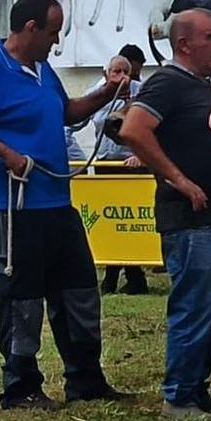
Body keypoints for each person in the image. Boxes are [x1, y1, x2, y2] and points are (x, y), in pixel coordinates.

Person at [0, 0, 130, 410]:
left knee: (78, 288)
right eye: (52, 32)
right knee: (21, 295)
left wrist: (106, 92)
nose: (55, 42)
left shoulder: (42, 71)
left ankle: (85, 379)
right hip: (14, 204)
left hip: (55, 200)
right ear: (29, 28)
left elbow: (67, 112)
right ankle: (20, 385)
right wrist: (4, 151)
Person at [116, 10, 211, 420]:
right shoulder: (168, 83)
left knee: (206, 306)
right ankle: (179, 396)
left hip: (209, 216)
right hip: (188, 219)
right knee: (192, 305)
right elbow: (133, 129)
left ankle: (194, 389)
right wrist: (178, 181)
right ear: (184, 44)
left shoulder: (198, 86)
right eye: (210, 37)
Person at [90, 50, 149, 296]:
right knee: (111, 222)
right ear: (106, 74)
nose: (122, 77)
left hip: (133, 165)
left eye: (126, 71)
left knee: (129, 222)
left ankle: (130, 277)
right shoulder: (96, 92)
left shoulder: (142, 90)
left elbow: (150, 126)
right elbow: (94, 122)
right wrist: (111, 99)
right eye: (116, 72)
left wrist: (143, 156)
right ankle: (119, 276)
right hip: (106, 164)